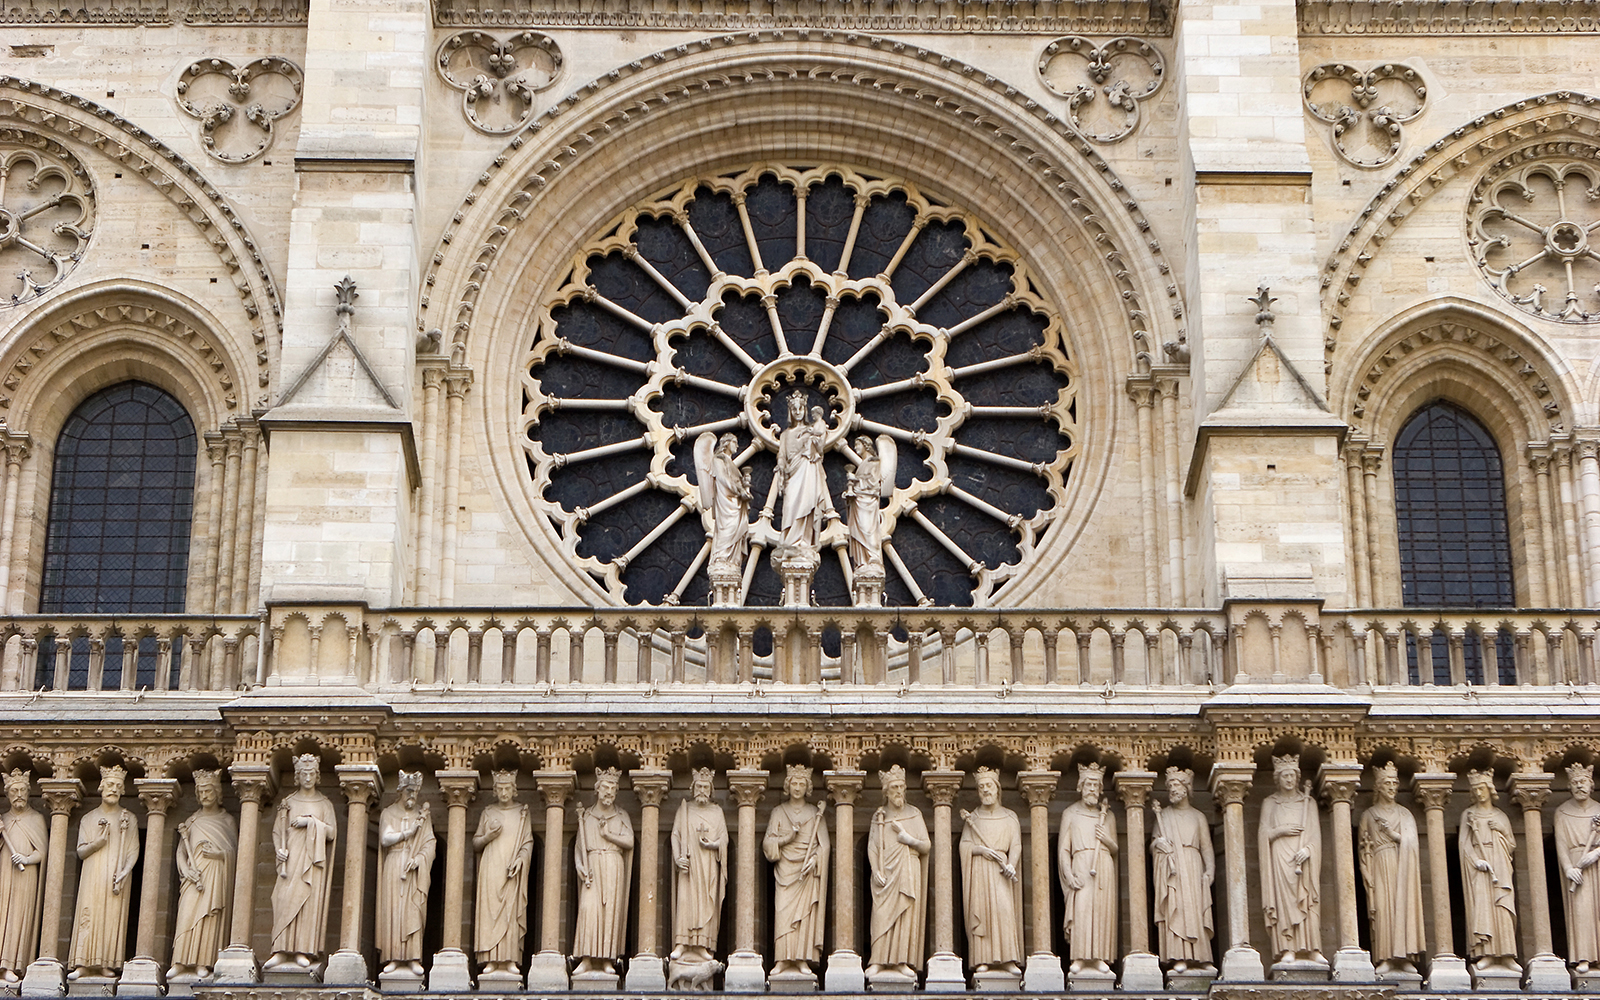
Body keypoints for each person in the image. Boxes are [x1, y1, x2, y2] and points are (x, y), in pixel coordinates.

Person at [68, 763, 140, 980]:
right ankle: (82, 963)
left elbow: (133, 850)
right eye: (110, 784)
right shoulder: (88, 818)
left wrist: (126, 871)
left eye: (118, 786)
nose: (114, 789)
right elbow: (81, 851)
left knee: (111, 915)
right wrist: (97, 843)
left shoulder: (129, 818)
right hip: (92, 875)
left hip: (116, 877)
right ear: (100, 787)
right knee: (88, 914)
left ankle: (106, 963)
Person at [267, 753, 337, 970]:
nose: (308, 777)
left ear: (317, 776)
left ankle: (302, 950)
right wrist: (279, 850)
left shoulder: (324, 804)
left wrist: (310, 822)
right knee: (283, 898)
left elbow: (332, 833)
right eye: (303, 773)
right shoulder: (288, 802)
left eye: (311, 773)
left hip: (311, 863)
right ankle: (280, 948)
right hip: (291, 860)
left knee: (306, 903)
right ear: (297, 776)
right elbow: (278, 831)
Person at [169, 769, 237, 980]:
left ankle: (203, 962)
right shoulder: (192, 821)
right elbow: (181, 851)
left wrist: (220, 854)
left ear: (217, 793)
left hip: (215, 874)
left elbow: (235, 852)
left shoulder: (227, 821)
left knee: (209, 917)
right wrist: (186, 869)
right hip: (193, 877)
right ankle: (180, 962)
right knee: (187, 915)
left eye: (209, 791)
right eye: (201, 792)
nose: (205, 796)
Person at [1358, 761, 1423, 977]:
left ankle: (1404, 957)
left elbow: (1412, 843)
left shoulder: (1405, 814)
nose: (1392, 788)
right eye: (1387, 784)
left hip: (1402, 864)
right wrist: (1367, 874)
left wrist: (1393, 835)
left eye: (1394, 784)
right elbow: (1363, 849)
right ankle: (1385, 956)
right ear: (1378, 787)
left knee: (1403, 907)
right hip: (1380, 863)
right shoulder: (1368, 815)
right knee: (1384, 910)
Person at [764, 764, 829, 977]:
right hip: (786, 870)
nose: (798, 787)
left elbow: (824, 845)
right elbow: (767, 844)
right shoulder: (778, 812)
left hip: (807, 871)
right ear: (787, 785)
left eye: (802, 783)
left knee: (805, 916)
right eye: (794, 783)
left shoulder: (814, 813)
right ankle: (782, 959)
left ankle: (802, 959)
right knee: (783, 913)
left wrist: (816, 859)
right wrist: (787, 838)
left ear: (808, 787)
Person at [1258, 754, 1323, 965]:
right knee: (1284, 901)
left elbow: (1315, 834)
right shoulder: (1270, 803)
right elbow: (1263, 834)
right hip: (1279, 855)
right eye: (1285, 775)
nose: (1289, 779)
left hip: (1302, 855)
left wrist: (1309, 849)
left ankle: (1313, 948)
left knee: (1307, 898)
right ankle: (1287, 948)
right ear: (1278, 778)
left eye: (1292, 775)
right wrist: (1280, 830)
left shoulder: (1308, 802)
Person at [867, 765, 929, 981]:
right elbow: (873, 847)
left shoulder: (914, 814)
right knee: (881, 915)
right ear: (886, 791)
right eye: (894, 787)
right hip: (885, 872)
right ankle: (878, 959)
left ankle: (902, 960)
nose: (898, 792)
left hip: (908, 870)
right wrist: (875, 869)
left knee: (905, 915)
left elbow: (926, 846)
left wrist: (907, 839)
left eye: (901, 787)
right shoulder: (879, 816)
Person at [959, 767, 1023, 976]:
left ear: (997, 789)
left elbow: (1016, 845)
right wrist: (980, 850)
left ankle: (1007, 959)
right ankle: (982, 959)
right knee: (982, 912)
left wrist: (1011, 864)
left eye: (989, 786)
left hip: (1001, 871)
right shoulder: (974, 818)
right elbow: (964, 846)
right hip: (980, 868)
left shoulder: (1010, 817)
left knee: (1004, 911)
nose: (985, 791)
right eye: (981, 787)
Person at [1151, 766, 1214, 972]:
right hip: (1173, 868)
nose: (1172, 790)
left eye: (1176, 786)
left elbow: (1206, 847)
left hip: (1193, 866)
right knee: (1175, 906)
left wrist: (1210, 870)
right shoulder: (1164, 816)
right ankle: (1178, 956)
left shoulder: (1198, 817)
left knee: (1194, 909)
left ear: (1186, 788)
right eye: (1169, 787)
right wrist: (1158, 846)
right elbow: (1154, 844)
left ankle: (1201, 957)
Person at [573, 768, 634, 976]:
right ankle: (587, 958)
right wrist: (580, 865)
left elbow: (629, 841)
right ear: (597, 789)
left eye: (613, 789)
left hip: (612, 864)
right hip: (592, 865)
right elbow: (579, 848)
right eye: (605, 788)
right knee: (589, 911)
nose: (609, 793)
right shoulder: (587, 816)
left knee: (610, 913)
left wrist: (608, 835)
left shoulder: (621, 815)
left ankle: (607, 958)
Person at [1058, 762, 1118, 974]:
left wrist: (1107, 839)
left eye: (1096, 785)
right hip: (1081, 864)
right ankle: (1081, 957)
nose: (1092, 789)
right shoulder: (1070, 813)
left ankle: (1100, 956)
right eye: (1088, 785)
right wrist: (1067, 873)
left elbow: (1115, 848)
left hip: (1103, 865)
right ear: (1080, 787)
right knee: (1082, 909)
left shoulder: (1107, 816)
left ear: (1100, 789)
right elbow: (1064, 849)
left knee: (1101, 911)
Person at [474, 770, 533, 976]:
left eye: (508, 788)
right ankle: (490, 958)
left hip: (511, 869)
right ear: (495, 790)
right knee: (490, 912)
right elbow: (476, 842)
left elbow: (527, 843)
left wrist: (520, 859)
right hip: (491, 867)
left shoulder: (522, 813)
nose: (504, 792)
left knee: (510, 910)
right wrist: (488, 836)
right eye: (500, 788)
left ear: (514, 790)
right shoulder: (488, 812)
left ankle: (510, 959)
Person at [1459, 769, 1519, 972]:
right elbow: (1464, 844)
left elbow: (1511, 844)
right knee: (1482, 906)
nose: (1479, 793)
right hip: (1481, 867)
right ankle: (1486, 953)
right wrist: (1476, 860)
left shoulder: (1500, 816)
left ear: (1490, 790)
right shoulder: (1468, 814)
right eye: (1475, 789)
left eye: (1482, 788)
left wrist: (1500, 829)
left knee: (1502, 907)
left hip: (1499, 864)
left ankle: (1507, 954)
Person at [376, 771, 435, 976]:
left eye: (416, 792)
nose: (413, 796)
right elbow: (384, 839)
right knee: (393, 909)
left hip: (413, 869)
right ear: (400, 790)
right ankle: (393, 956)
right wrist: (408, 833)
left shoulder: (422, 816)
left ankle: (412, 957)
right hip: (393, 864)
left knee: (412, 908)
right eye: (409, 791)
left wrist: (419, 859)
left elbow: (430, 843)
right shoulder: (388, 813)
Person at [670, 767, 727, 966]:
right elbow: (675, 835)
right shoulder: (684, 809)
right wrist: (678, 858)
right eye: (699, 786)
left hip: (708, 865)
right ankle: (682, 943)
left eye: (706, 787)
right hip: (689, 865)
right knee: (685, 902)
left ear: (711, 790)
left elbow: (724, 840)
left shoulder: (717, 812)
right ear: (693, 788)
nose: (702, 790)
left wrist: (712, 844)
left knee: (706, 903)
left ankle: (703, 945)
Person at [0, 770, 44, 982]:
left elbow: (42, 852)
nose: (18, 794)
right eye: (14, 791)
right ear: (7, 794)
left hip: (26, 877)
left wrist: (26, 859)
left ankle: (11, 964)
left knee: (18, 916)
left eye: (22, 790)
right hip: (4, 874)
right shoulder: (4, 820)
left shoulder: (35, 819)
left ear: (28, 793)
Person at [1556, 762, 1600, 973]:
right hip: (1576, 865)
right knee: (1582, 911)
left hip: (1596, 862)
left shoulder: (1599, 810)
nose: (1579, 786)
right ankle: (1584, 957)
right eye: (1574, 783)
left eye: (1583, 782)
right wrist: (1568, 869)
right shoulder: (1562, 812)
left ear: (1591, 784)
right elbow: (1561, 845)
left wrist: (1597, 853)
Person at [776, 393, 832, 555]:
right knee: (791, 506)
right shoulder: (785, 435)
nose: (798, 412)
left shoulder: (810, 430)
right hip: (792, 473)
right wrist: (780, 467)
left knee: (807, 504)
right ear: (790, 412)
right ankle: (790, 540)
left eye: (801, 408)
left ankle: (804, 540)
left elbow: (819, 448)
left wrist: (815, 438)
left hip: (807, 470)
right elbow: (782, 455)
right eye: (794, 409)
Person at [698, 432, 751, 575]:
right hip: (726, 500)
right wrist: (739, 490)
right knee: (727, 528)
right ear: (727, 443)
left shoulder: (729, 461)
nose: (737, 446)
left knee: (735, 528)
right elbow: (722, 478)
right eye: (735, 442)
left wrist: (744, 485)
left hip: (735, 501)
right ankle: (722, 557)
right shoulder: (718, 459)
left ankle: (731, 559)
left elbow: (733, 479)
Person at [844, 435, 886, 573]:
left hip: (868, 502)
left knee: (868, 529)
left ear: (866, 445)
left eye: (857, 444)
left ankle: (872, 557)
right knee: (861, 530)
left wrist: (855, 481)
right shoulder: (864, 463)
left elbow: (873, 484)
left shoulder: (874, 462)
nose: (855, 447)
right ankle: (862, 560)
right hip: (859, 502)